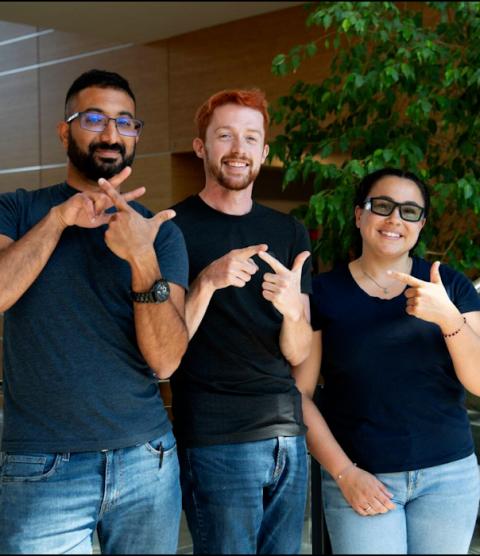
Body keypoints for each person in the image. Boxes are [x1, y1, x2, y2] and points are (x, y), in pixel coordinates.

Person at [0, 69, 189, 554]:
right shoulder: (17, 210)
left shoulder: (160, 232)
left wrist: (141, 258)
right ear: (65, 131)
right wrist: (61, 219)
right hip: (42, 465)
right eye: (95, 118)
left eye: (125, 122)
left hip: (146, 459)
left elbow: (166, 360)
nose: (111, 134)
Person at [294, 167, 480, 554]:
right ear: (359, 215)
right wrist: (344, 473)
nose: (395, 218)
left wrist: (448, 317)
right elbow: (300, 396)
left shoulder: (450, 284)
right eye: (382, 206)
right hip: (362, 477)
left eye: (410, 211)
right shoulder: (323, 293)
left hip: (448, 476)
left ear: (421, 224)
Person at [171, 88, 313, 554]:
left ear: (264, 152)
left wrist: (294, 309)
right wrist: (206, 282)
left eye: (251, 138)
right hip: (215, 436)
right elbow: (162, 352)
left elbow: (298, 351)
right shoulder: (172, 228)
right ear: (201, 147)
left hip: (286, 435)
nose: (238, 149)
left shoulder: (288, 231)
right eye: (225, 135)